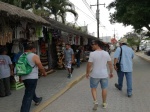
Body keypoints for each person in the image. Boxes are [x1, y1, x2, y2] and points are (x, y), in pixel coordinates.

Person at [86, 40, 113, 110]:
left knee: (93, 88)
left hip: (94, 75)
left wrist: (87, 73)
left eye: (93, 44)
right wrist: (111, 72)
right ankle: (104, 103)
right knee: (104, 89)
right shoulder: (106, 53)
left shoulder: (92, 54)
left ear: (97, 45)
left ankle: (95, 102)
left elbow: (89, 65)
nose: (92, 46)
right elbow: (110, 64)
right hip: (104, 74)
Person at [20, 43, 46, 112]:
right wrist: (44, 73)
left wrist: (20, 77)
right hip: (32, 78)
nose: (35, 50)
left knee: (30, 90)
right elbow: (40, 66)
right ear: (32, 49)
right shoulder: (34, 56)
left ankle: (37, 99)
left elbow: (19, 67)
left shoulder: (22, 56)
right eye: (34, 49)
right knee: (28, 95)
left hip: (24, 77)